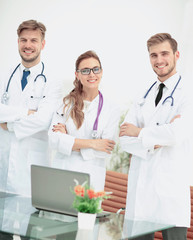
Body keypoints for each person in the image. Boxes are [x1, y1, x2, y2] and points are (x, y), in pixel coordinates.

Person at [119, 33, 191, 240]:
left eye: (164, 54)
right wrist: (156, 141)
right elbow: (124, 138)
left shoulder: (190, 93)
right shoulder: (144, 93)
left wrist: (140, 132)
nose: (159, 60)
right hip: (140, 191)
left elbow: (177, 133)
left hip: (170, 192)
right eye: (153, 55)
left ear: (177, 55)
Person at [0, 20, 62, 197]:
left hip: (30, 169)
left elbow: (42, 121)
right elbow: (33, 117)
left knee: (28, 221)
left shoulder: (52, 81)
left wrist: (8, 124)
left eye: (33, 40)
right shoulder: (4, 74)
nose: (28, 45)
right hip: (3, 160)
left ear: (42, 44)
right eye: (23, 40)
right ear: (18, 42)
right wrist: (25, 113)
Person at [48, 50, 119, 191]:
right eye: (85, 70)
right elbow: (54, 140)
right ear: (77, 74)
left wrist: (68, 141)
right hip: (63, 171)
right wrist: (93, 143)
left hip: (91, 177)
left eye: (95, 69)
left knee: (86, 212)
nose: (92, 74)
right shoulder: (65, 104)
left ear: (101, 72)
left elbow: (105, 149)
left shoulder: (111, 109)